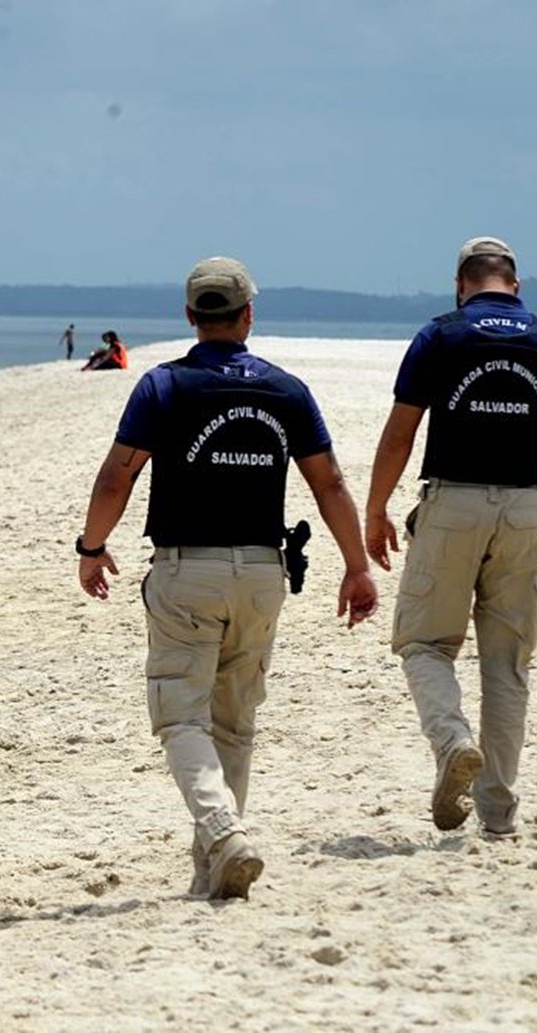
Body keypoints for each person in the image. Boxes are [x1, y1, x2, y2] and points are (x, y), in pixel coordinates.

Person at [77, 257, 377, 900]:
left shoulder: (164, 386)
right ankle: (212, 869)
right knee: (235, 723)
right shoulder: (285, 390)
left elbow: (116, 476)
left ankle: (223, 833)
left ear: (190, 316)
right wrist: (355, 565)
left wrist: (92, 546)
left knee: (181, 719)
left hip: (189, 570)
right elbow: (328, 482)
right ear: (247, 316)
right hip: (264, 572)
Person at [365, 236, 537, 838]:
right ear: (514, 285)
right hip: (529, 507)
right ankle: (498, 814)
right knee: (508, 664)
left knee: (425, 643)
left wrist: (377, 507)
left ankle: (453, 741)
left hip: (455, 500)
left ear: (460, 284)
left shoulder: (442, 333)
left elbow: (399, 435)